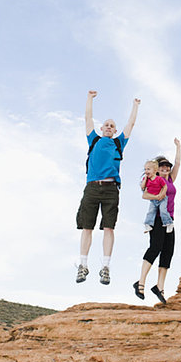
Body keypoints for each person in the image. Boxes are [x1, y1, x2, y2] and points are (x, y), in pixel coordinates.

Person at [76, 90, 140, 285]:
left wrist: (135, 105)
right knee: (87, 227)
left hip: (111, 189)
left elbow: (130, 125)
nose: (109, 127)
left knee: (109, 228)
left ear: (114, 131)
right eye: (106, 125)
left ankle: (105, 267)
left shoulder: (119, 143)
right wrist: (89, 98)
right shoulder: (93, 139)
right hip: (92, 188)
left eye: (112, 126)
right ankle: (83, 265)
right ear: (102, 128)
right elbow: (87, 117)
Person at [133, 139, 181, 304]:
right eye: (162, 167)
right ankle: (140, 282)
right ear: (156, 170)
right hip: (157, 219)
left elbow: (178, 163)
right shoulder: (153, 181)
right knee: (155, 248)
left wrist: (178, 147)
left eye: (167, 166)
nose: (166, 168)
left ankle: (159, 287)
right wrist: (157, 196)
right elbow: (144, 194)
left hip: (169, 220)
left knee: (168, 252)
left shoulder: (170, 180)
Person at [141, 160, 174, 233]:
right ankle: (148, 224)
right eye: (145, 169)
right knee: (151, 211)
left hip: (163, 198)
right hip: (154, 200)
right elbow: (142, 187)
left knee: (163, 210)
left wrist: (162, 194)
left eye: (148, 169)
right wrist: (145, 179)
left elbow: (165, 186)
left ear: (155, 170)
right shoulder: (147, 180)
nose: (146, 171)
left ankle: (169, 223)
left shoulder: (159, 179)